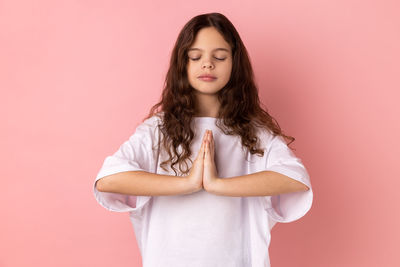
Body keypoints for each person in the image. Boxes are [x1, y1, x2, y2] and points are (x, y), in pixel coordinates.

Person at [93, 12, 313, 267]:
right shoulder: (158, 131)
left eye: (219, 57)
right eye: (196, 57)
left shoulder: (254, 133)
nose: (207, 64)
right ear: (182, 64)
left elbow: (295, 179)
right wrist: (188, 183)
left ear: (234, 62)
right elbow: (108, 180)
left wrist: (218, 185)